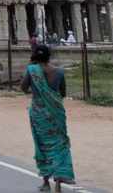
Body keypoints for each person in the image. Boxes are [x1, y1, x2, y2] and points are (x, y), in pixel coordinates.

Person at [20, 45, 75, 192]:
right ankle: (58, 183)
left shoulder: (32, 71)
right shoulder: (59, 72)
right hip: (56, 113)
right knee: (60, 144)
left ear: (35, 58)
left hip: (39, 115)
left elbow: (23, 88)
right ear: (49, 56)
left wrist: (38, 91)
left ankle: (45, 182)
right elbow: (62, 93)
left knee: (42, 145)